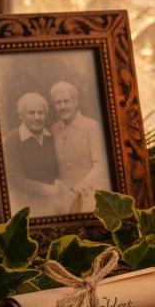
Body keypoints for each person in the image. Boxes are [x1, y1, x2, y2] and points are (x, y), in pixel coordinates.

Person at [50, 80, 111, 214]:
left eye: (66, 101)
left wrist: (78, 189)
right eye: (58, 103)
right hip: (66, 201)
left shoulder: (91, 126)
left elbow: (100, 167)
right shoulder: (54, 130)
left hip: (91, 197)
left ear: (76, 102)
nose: (62, 106)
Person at [3, 92, 67, 216]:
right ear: (22, 116)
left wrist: (59, 182)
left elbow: (58, 168)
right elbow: (14, 178)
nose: (37, 117)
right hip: (25, 205)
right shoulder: (12, 140)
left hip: (54, 203)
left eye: (41, 112)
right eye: (31, 113)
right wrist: (45, 189)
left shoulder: (51, 138)